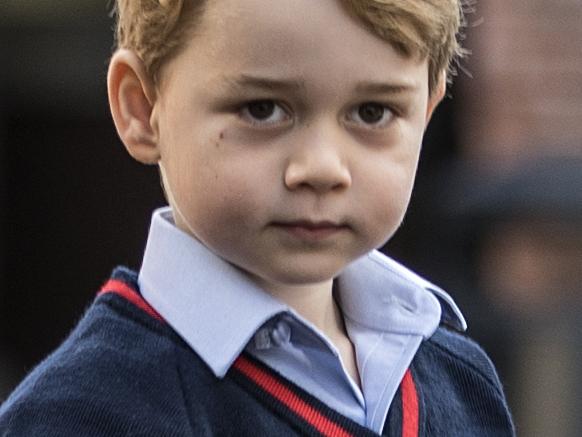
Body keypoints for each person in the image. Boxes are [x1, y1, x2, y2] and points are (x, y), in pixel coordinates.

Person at [0, 0, 514, 435]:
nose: (321, 168)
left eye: (373, 112)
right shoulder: (82, 414)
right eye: (263, 109)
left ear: (425, 114)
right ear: (142, 108)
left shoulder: (461, 380)